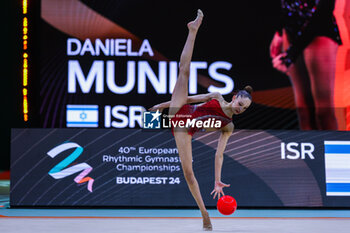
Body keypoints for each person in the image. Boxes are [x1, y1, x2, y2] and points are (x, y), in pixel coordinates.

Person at [149, 9, 253, 231]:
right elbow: (186, 97)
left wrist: (217, 179)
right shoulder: (216, 96)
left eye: (244, 109)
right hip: (180, 110)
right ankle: (193, 29)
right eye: (240, 104)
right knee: (183, 70)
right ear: (235, 97)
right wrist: (164, 105)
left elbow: (219, 154)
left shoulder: (229, 126)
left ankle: (205, 214)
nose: (240, 109)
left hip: (183, 130)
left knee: (188, 173)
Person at [270, 0, 342, 130]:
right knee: (304, 111)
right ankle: (308, 148)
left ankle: (334, 149)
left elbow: (323, 10)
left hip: (319, 30)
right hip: (291, 31)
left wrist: (291, 54)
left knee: (323, 112)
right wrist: (279, 31)